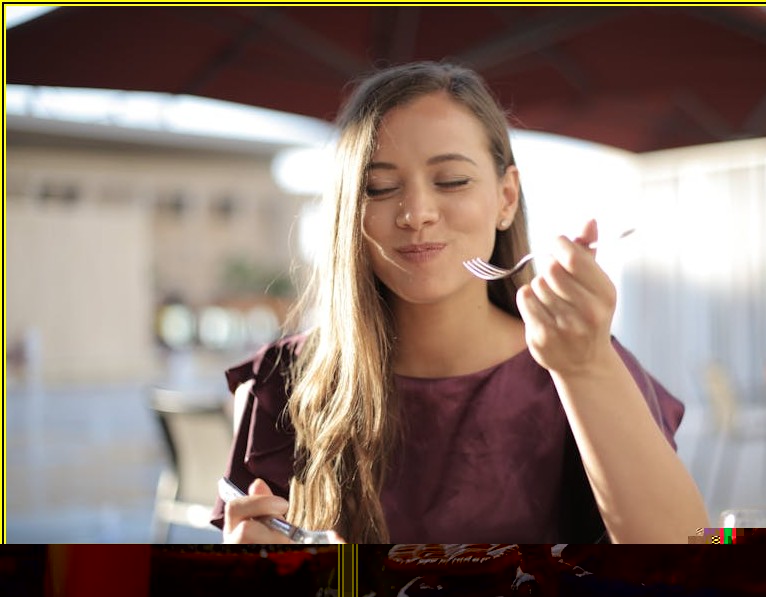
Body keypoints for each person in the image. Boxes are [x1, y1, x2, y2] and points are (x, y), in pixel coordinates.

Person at [212, 60, 708, 544]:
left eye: (451, 180)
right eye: (380, 188)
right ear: (349, 214)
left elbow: (692, 554)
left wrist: (587, 367)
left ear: (506, 198)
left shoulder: (580, 361)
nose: (417, 213)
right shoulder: (285, 382)